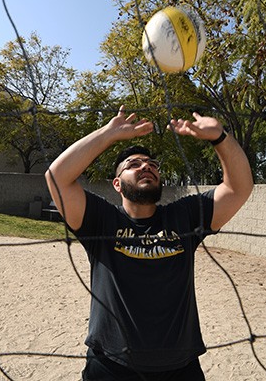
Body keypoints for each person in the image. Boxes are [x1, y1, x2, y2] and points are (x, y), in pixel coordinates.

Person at [45, 106, 253, 380]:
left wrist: (220, 137)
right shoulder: (101, 220)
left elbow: (239, 188)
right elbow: (57, 178)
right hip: (110, 365)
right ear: (117, 184)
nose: (146, 166)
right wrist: (108, 134)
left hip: (180, 367)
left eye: (152, 165)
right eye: (134, 165)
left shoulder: (184, 217)